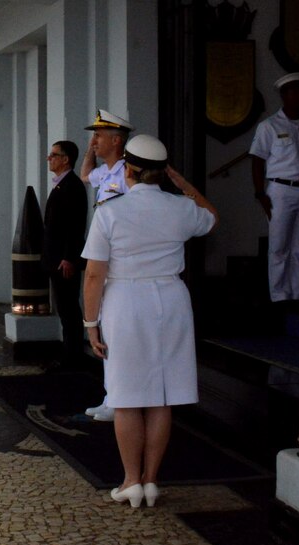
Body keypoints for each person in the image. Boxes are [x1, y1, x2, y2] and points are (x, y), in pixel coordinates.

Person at [81, 135, 218, 508]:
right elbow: (211, 216)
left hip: (126, 302)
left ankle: (130, 481)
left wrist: (89, 323)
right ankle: (151, 480)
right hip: (172, 300)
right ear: (163, 173)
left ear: (128, 170)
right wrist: (184, 184)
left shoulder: (110, 211)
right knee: (162, 395)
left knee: (126, 397)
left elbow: (94, 275)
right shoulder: (181, 208)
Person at [249, 73, 299, 305]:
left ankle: (297, 294)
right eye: (293, 92)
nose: (298, 96)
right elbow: (256, 160)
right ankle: (279, 296)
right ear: (283, 96)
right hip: (281, 190)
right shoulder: (269, 126)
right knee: (279, 246)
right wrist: (260, 193)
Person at [79, 109, 134, 422]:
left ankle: (120, 398)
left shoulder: (128, 172)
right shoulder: (105, 172)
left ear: (117, 140)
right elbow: (86, 175)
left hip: (120, 261)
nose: (94, 141)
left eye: (99, 136)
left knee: (115, 333)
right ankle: (111, 395)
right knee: (106, 330)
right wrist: (89, 150)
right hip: (104, 259)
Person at [42, 140, 88, 370]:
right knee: (64, 308)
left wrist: (69, 257)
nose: (49, 158)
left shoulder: (72, 186)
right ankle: (69, 355)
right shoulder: (61, 184)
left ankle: (73, 358)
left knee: (69, 309)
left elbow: (75, 226)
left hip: (64, 260)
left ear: (65, 159)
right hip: (56, 258)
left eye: (53, 155)